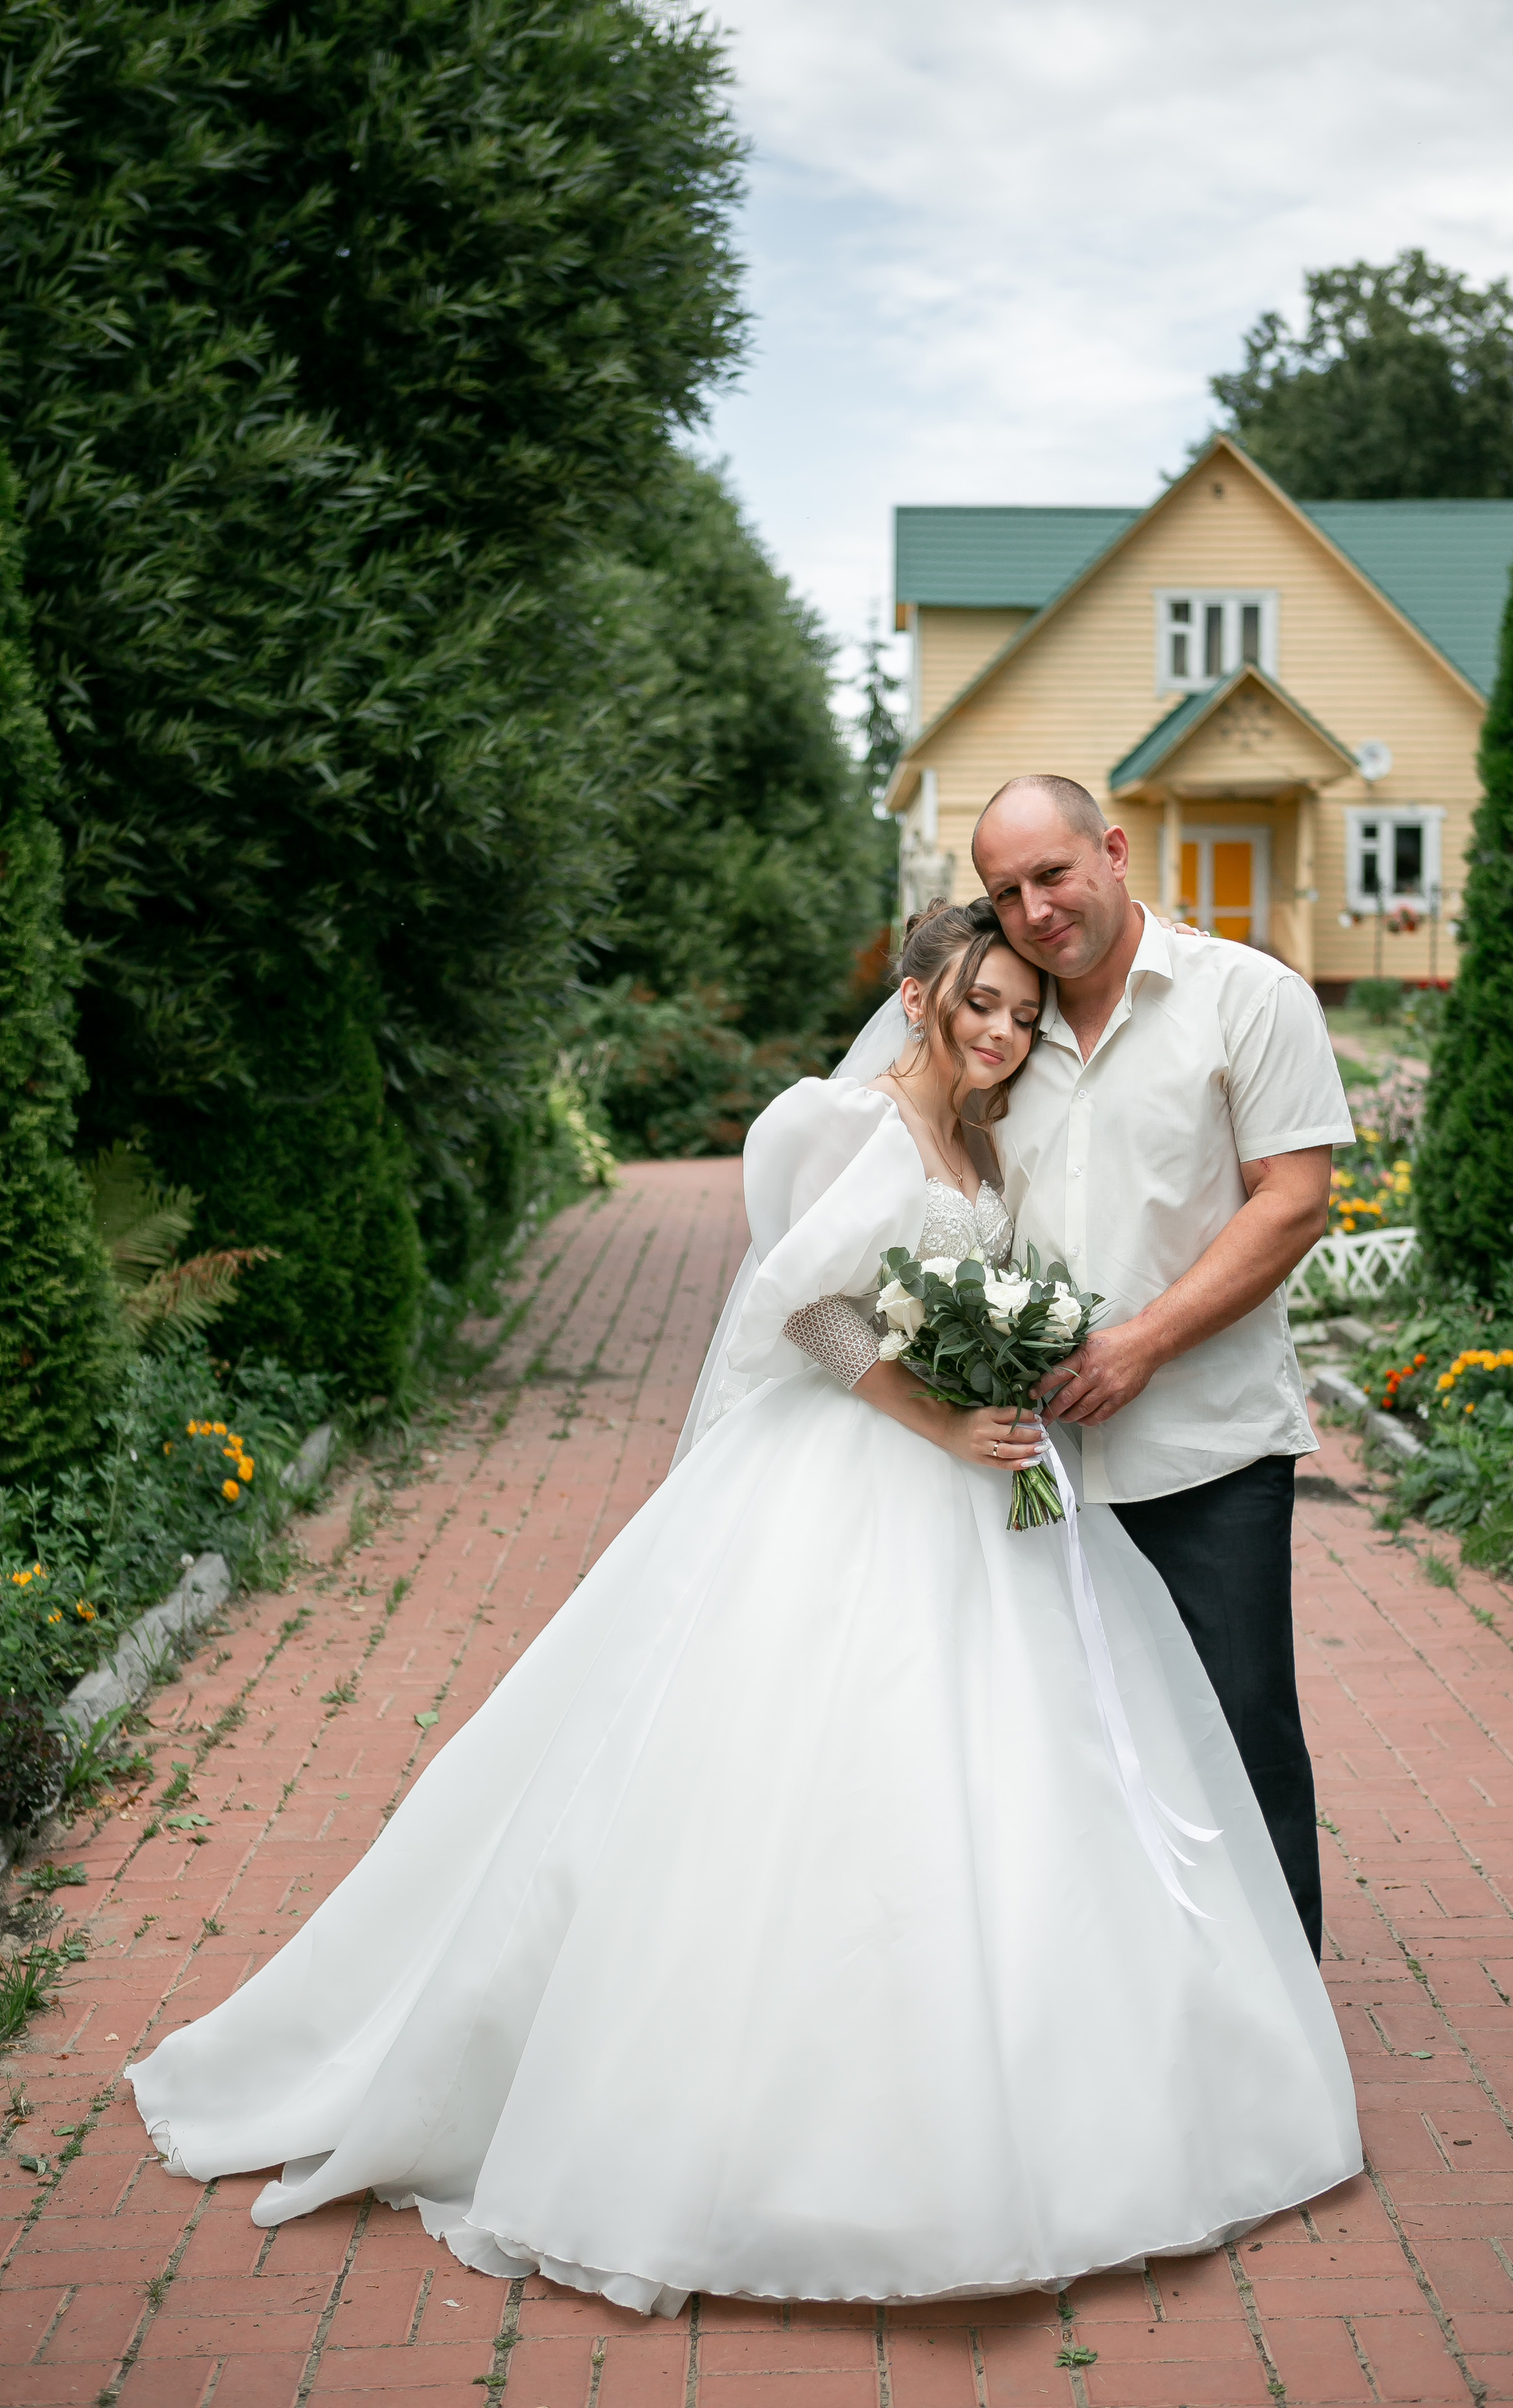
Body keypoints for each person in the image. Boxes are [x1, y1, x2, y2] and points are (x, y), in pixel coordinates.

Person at [129, 899, 1359, 2318]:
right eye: (977, 1003)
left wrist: (994, 1383)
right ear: (915, 997)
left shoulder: (971, 1133)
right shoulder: (859, 1130)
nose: (999, 1031)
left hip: (980, 1493)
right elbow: (805, 1312)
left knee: (1017, 1772)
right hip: (862, 1479)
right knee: (805, 1767)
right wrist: (939, 1422)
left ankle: (1030, 2063)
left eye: (1021, 1014)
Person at [972, 775, 1354, 1958]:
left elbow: (1293, 1203)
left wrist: (1144, 1342)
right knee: (1074, 1736)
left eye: (1053, 873)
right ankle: (1134, 1997)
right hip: (1037, 1466)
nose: (1035, 908)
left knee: (1240, 1730)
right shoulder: (995, 1032)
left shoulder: (1247, 998)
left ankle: (1283, 2017)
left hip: (1209, 1442)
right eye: (1006, 892)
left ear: (1115, 851)